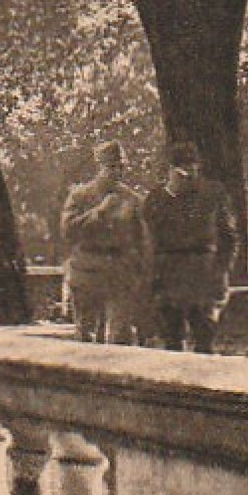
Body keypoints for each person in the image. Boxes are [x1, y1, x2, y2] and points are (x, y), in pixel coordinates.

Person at [143, 142, 237, 353]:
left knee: (204, 336)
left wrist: (221, 271)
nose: (188, 172)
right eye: (181, 167)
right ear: (169, 170)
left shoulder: (213, 194)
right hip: (168, 274)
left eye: (192, 166)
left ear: (199, 166)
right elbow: (148, 238)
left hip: (202, 273)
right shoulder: (157, 198)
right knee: (172, 339)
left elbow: (229, 238)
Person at [60, 141, 149, 344]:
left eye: (120, 167)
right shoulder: (80, 195)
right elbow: (68, 231)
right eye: (111, 167)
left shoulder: (131, 199)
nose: (117, 172)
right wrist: (98, 212)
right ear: (99, 166)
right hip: (87, 271)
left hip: (119, 272)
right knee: (86, 335)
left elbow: (142, 239)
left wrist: (140, 270)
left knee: (120, 335)